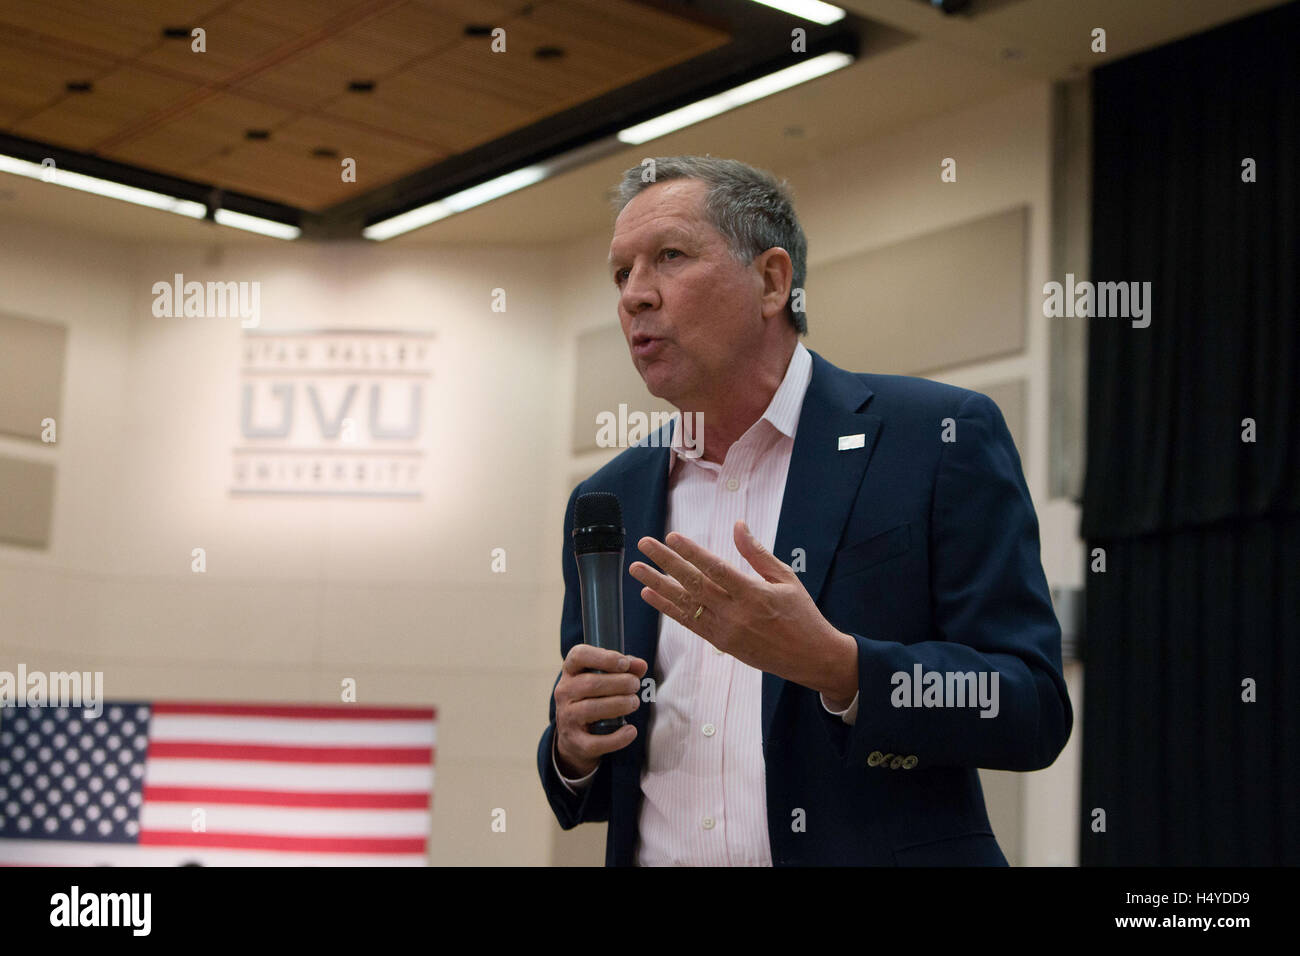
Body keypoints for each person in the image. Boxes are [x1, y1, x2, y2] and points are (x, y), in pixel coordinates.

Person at [536, 156, 1072, 865]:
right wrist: (572, 745)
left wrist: (841, 668)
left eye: (668, 257)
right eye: (620, 274)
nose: (635, 296)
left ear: (771, 280)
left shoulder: (935, 439)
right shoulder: (608, 500)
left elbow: (1029, 706)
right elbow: (600, 784)